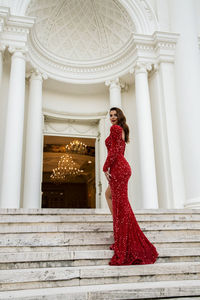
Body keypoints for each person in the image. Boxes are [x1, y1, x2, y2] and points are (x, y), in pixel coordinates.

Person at [103, 107, 159, 265]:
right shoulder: (121, 129)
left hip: (118, 168)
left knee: (122, 205)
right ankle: (120, 232)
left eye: (115, 115)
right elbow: (118, 150)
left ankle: (125, 239)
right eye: (110, 115)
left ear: (119, 116)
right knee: (110, 197)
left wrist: (104, 167)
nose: (112, 117)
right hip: (121, 168)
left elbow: (114, 152)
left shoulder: (115, 128)